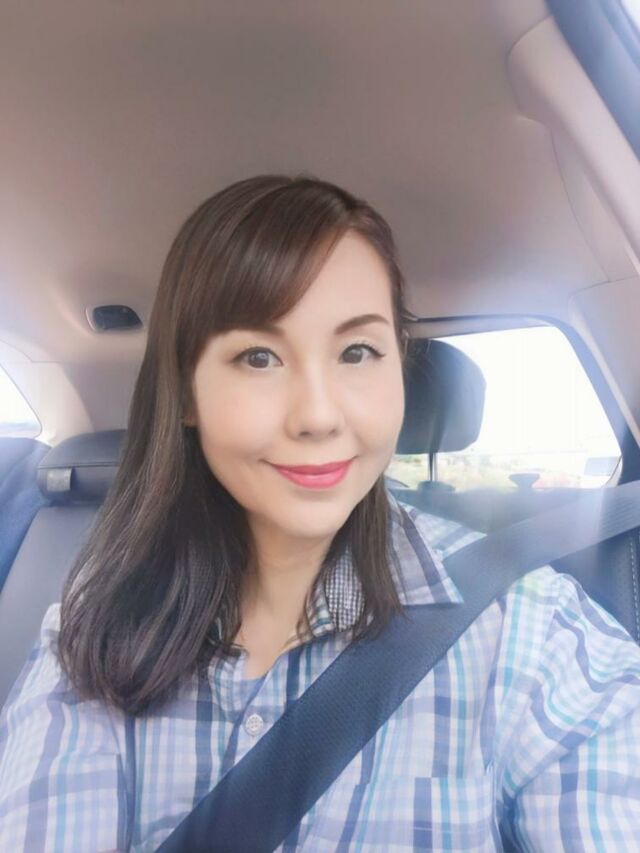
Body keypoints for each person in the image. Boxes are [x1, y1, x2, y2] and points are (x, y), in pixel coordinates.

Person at [1, 174, 639, 851]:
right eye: (259, 357)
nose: (317, 415)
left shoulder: (528, 630)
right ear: (186, 393)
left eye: (357, 352)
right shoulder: (96, 629)